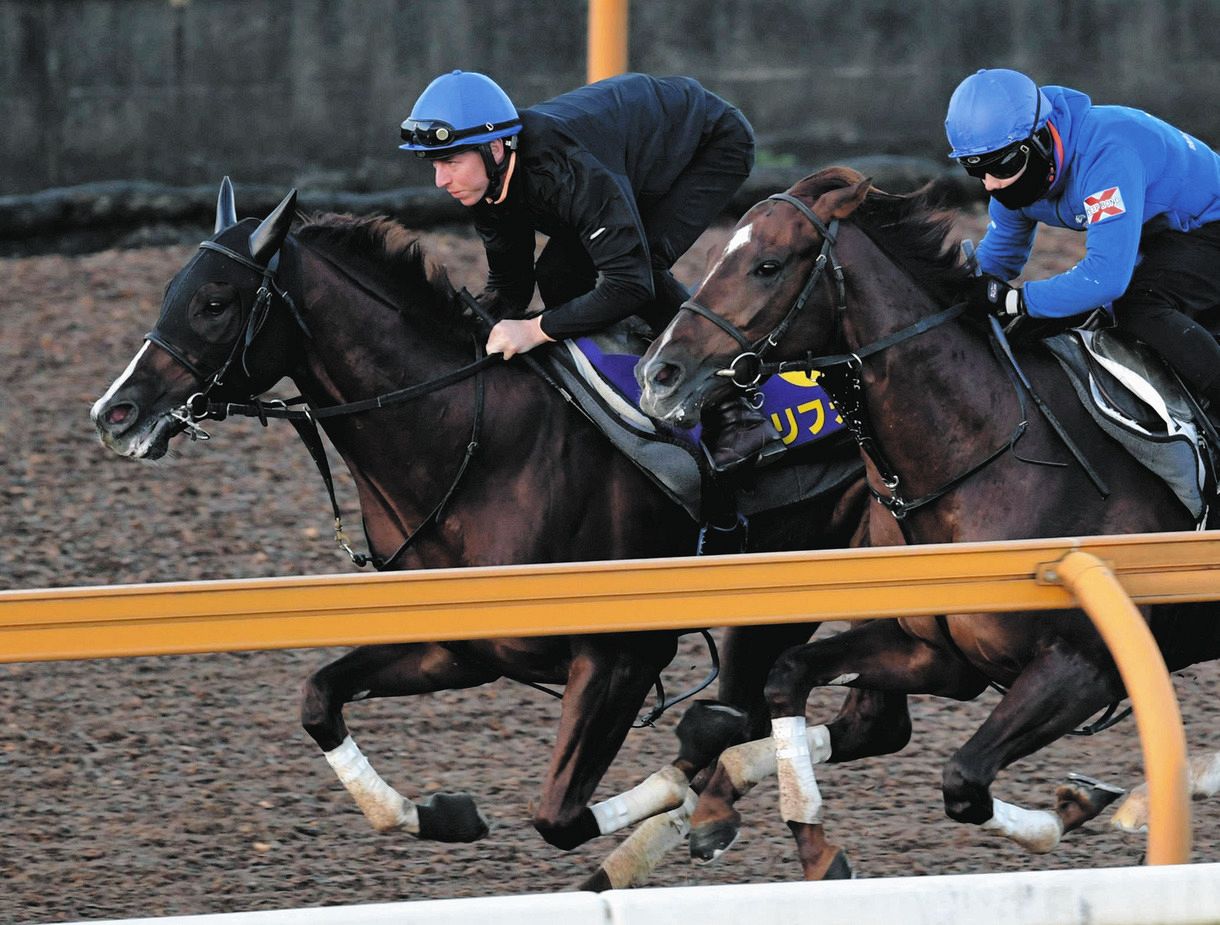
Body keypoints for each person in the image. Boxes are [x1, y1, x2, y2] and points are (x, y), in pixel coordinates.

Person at [399, 69, 779, 471]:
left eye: (450, 163)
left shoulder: (567, 171)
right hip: (624, 154)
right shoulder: (486, 183)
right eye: (434, 166)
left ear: (495, 148)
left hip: (708, 143)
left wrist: (533, 330)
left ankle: (737, 411)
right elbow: (511, 285)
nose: (441, 181)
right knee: (559, 276)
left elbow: (631, 285)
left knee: (641, 264)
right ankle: (618, 380)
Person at [945, 67, 1220, 417]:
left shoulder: (1106, 154)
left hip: (1208, 227)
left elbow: (1105, 278)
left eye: (1001, 167)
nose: (990, 185)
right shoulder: (1016, 174)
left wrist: (1015, 300)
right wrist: (952, 292)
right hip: (1160, 234)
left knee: (1137, 307)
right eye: (975, 170)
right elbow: (999, 260)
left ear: (1040, 140)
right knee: (1039, 323)